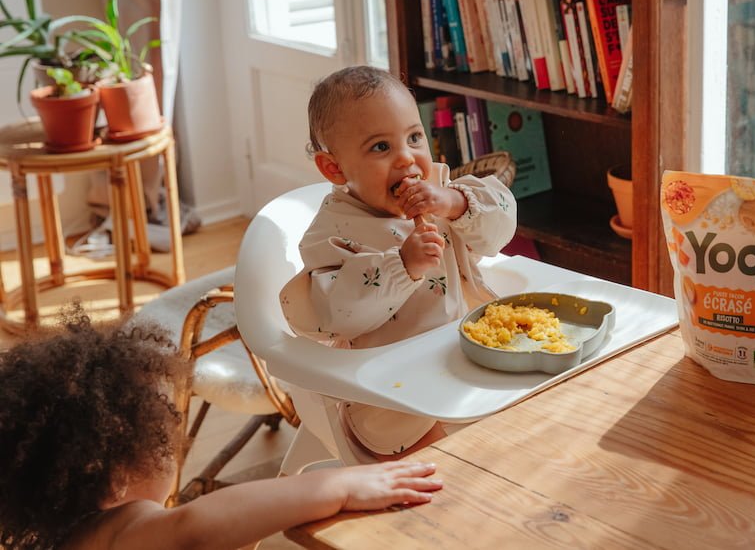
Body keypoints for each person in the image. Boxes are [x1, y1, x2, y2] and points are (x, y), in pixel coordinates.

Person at [0, 304, 443, 550]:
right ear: (117, 474)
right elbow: (194, 526)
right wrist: (341, 487)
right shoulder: (120, 531)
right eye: (160, 433)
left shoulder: (64, 540)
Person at [280, 66, 517, 460]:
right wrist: (401, 265)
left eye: (414, 137)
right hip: (390, 393)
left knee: (525, 427)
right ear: (334, 168)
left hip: (468, 361)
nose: (407, 158)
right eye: (380, 147)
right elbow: (337, 311)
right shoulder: (333, 232)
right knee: (443, 467)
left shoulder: (442, 194)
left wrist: (456, 204)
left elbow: (503, 221)